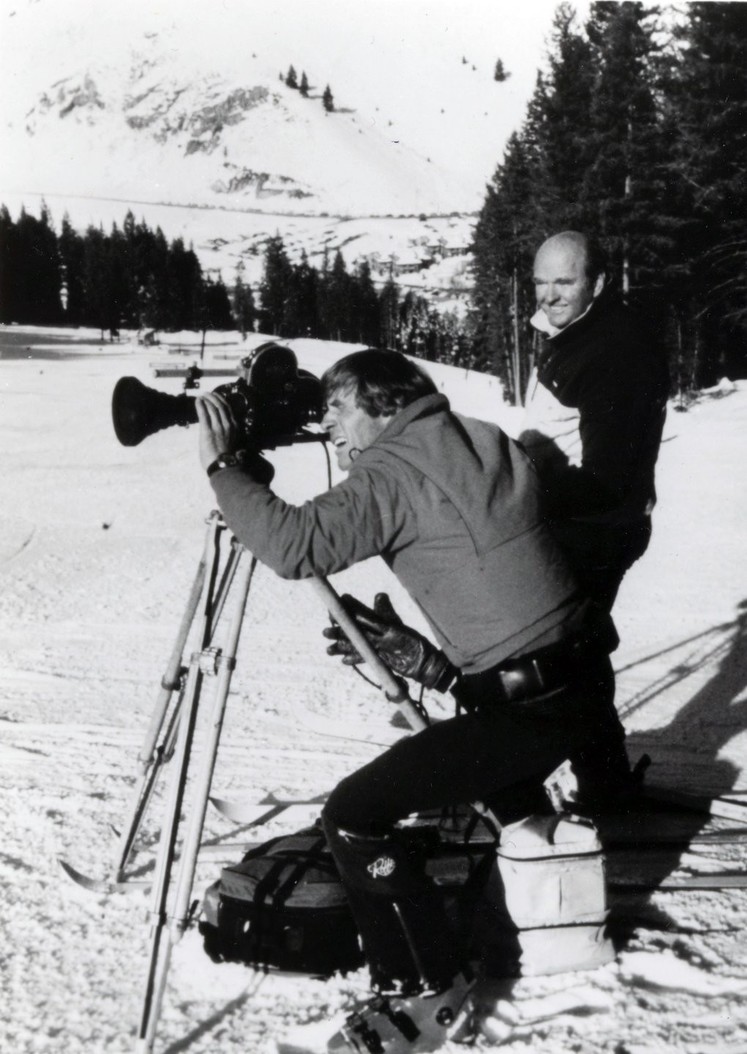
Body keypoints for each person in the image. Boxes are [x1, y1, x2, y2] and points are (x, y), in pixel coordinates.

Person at [196, 349, 624, 1054]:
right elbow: (496, 574)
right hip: (574, 683)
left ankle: (426, 985)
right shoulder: (477, 434)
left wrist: (223, 467)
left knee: (356, 815)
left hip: (529, 709)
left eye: (338, 407)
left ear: (383, 402)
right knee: (469, 781)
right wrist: (421, 659)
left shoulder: (392, 471)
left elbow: (291, 546)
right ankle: (527, 846)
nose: (328, 426)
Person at [325, 233, 668, 801]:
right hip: (569, 513)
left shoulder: (615, 351)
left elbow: (609, 476)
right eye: (542, 282)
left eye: (566, 282)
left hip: (596, 524)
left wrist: (511, 490)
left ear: (598, 283)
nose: (551, 295)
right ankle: (597, 775)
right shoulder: (571, 332)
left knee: (557, 651)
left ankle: (552, 778)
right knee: (572, 653)